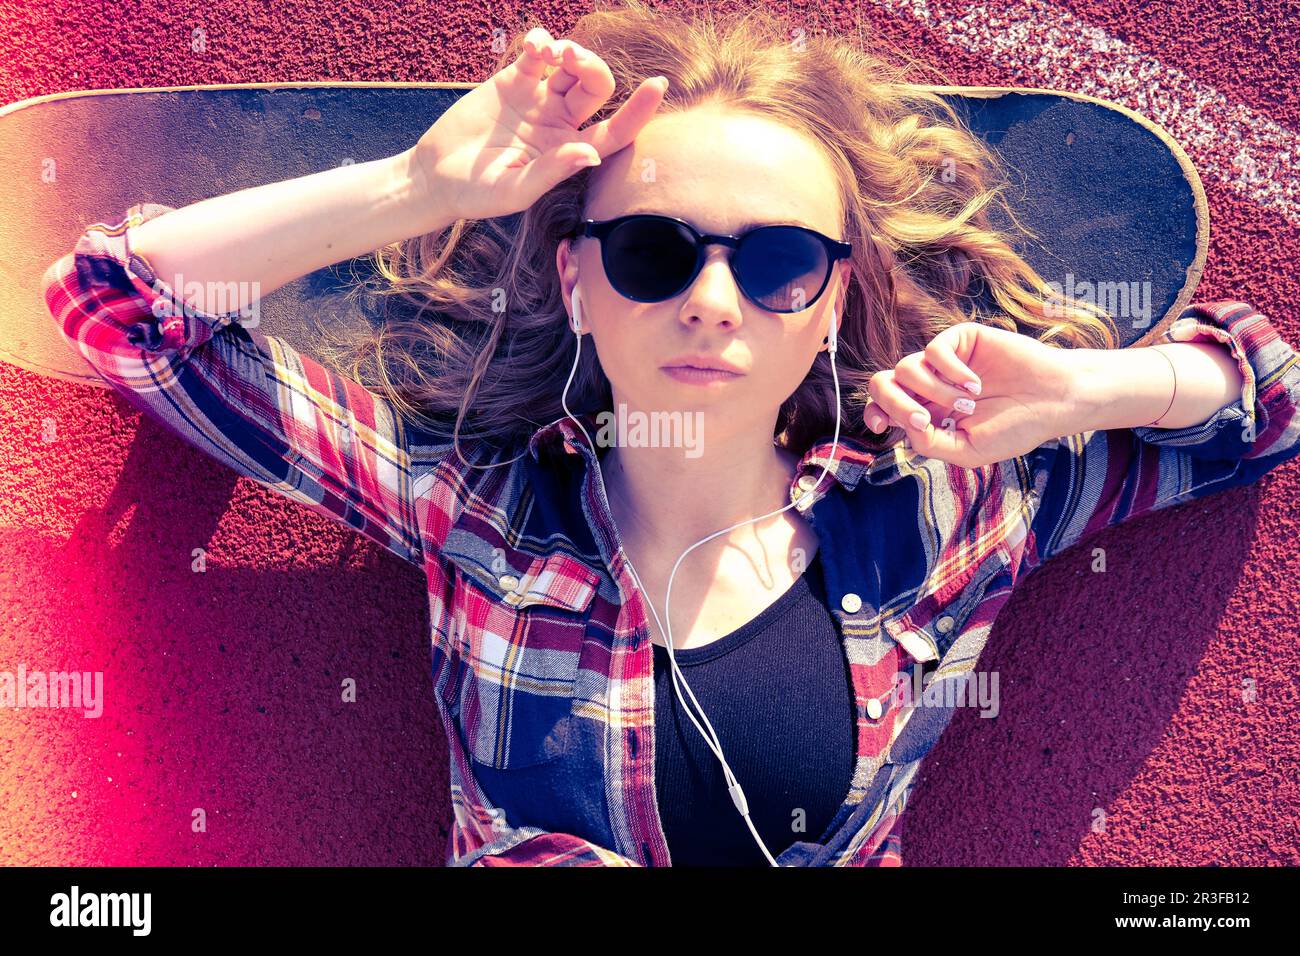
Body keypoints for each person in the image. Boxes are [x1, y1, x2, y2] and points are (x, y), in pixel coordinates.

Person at [42, 1, 1300, 866]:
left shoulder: (947, 511)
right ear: (578, 283)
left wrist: (1088, 394)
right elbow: (119, 306)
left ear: (833, 302)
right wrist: (415, 193)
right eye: (651, 250)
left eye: (778, 262)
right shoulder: (473, 516)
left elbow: (1267, 398)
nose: (710, 298)